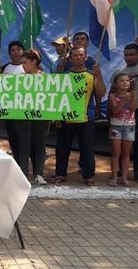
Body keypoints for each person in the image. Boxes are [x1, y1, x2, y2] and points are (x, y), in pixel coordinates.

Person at [52, 46, 106, 186]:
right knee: (62, 148)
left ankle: (88, 175)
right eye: (75, 55)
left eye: (81, 55)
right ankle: (60, 173)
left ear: (86, 57)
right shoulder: (64, 76)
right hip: (66, 118)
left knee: (87, 148)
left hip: (86, 118)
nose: (78, 57)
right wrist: (57, 117)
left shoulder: (92, 74)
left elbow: (100, 93)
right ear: (70, 58)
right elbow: (57, 97)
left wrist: (98, 75)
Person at [112, 39, 138, 183]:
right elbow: (113, 92)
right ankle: (120, 170)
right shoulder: (119, 72)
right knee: (120, 144)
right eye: (126, 55)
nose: (129, 57)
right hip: (122, 113)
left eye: (132, 54)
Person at [14, 50, 49, 185]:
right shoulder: (19, 78)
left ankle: (39, 174)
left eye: (25, 62)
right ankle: (23, 174)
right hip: (22, 117)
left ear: (34, 61)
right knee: (24, 146)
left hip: (41, 118)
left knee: (40, 146)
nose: (23, 66)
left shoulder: (46, 78)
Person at [107, 73, 137, 187]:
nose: (125, 82)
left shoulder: (132, 95)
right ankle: (114, 176)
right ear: (116, 84)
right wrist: (125, 100)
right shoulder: (112, 96)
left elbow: (133, 108)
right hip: (116, 126)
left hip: (130, 126)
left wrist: (133, 98)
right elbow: (115, 111)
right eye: (122, 80)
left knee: (126, 153)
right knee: (116, 152)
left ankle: (124, 178)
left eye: (127, 81)